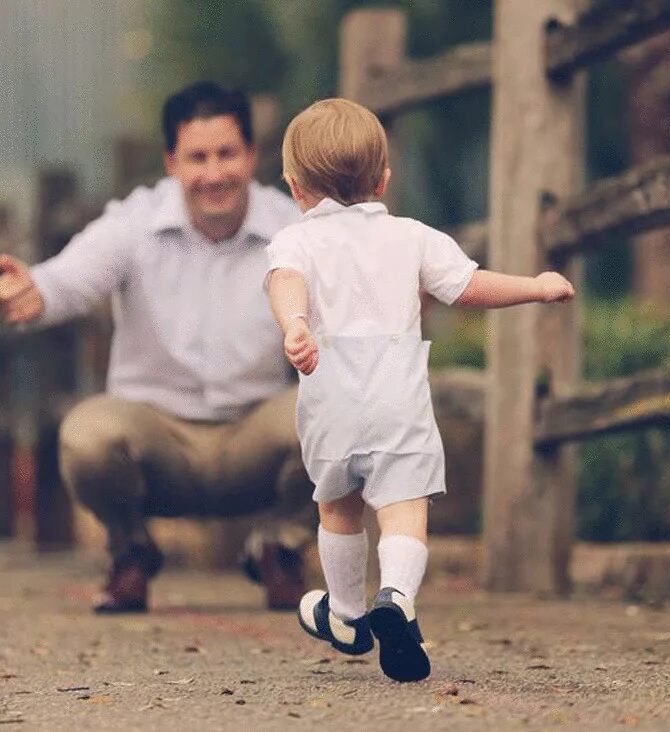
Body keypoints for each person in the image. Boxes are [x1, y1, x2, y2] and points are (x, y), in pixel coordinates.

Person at [265, 98, 575, 682]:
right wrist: (535, 287)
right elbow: (469, 287)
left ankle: (349, 614)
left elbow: (286, 282)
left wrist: (295, 324)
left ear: (294, 187)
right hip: (396, 398)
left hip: (329, 395)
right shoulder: (412, 236)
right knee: (404, 511)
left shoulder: (295, 242)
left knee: (339, 509)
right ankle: (398, 599)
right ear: (384, 179)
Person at [0, 81, 316, 613]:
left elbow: (347, 305)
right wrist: (33, 291)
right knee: (88, 434)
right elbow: (70, 278)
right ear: (171, 161)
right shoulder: (133, 223)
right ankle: (130, 551)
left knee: (346, 407)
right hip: (156, 444)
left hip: (256, 436)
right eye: (197, 157)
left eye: (226, 154)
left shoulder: (293, 228)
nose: (213, 174)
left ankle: (281, 547)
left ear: (252, 156)